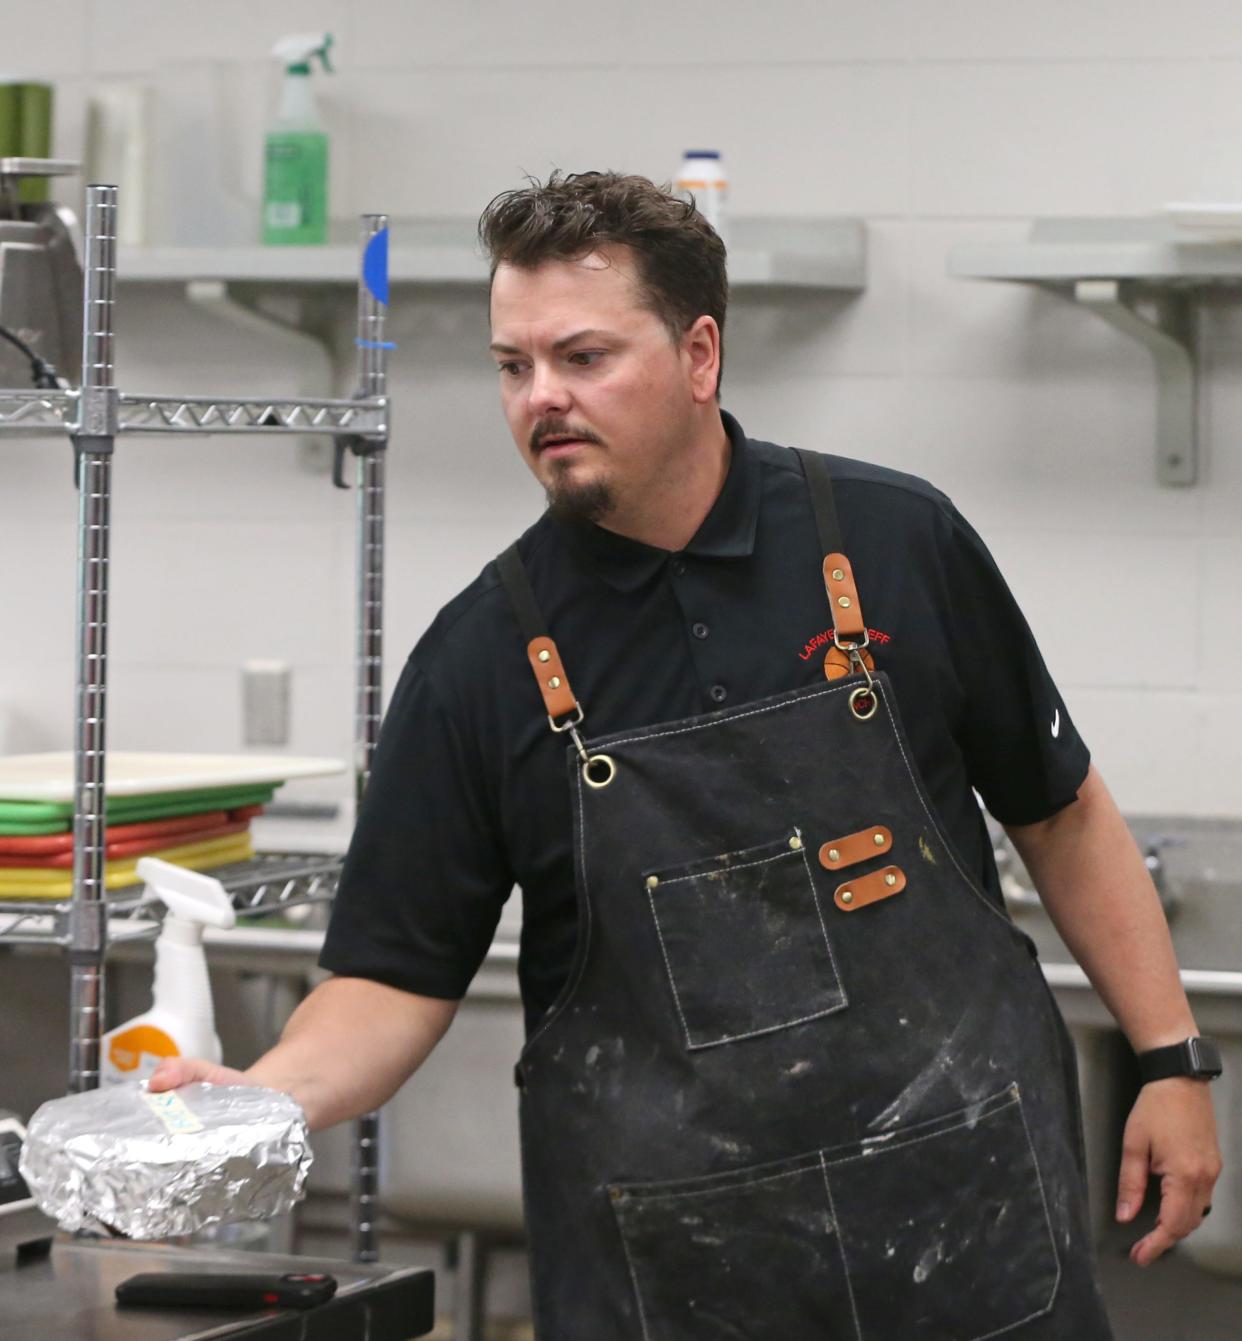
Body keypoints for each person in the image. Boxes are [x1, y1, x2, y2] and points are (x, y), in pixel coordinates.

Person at [153, 171, 1221, 1339]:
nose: (541, 399)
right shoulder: (479, 659)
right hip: (673, 1276)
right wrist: (264, 1099)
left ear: (699, 354)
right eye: (514, 366)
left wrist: (1171, 1062)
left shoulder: (897, 540)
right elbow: (390, 981)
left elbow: (1061, 814)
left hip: (966, 1229)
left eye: (582, 358)